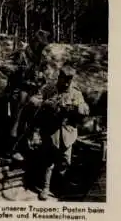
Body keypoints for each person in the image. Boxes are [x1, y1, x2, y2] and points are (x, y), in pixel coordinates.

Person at [28, 66, 90, 201]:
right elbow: (33, 100)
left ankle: (60, 187)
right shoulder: (49, 89)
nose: (67, 83)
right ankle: (45, 188)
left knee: (65, 162)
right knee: (48, 161)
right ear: (59, 77)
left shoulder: (76, 93)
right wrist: (46, 103)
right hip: (50, 131)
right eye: (64, 79)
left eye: (70, 80)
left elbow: (85, 109)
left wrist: (80, 108)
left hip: (68, 132)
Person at [0, 30, 50, 161]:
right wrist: (17, 71)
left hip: (33, 91)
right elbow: (8, 70)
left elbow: (44, 76)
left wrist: (41, 81)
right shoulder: (21, 54)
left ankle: (26, 144)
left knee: (33, 118)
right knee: (17, 120)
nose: (41, 47)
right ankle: (12, 149)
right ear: (34, 41)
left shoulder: (40, 57)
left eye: (43, 46)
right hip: (19, 91)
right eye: (40, 44)